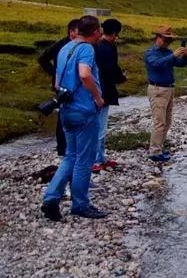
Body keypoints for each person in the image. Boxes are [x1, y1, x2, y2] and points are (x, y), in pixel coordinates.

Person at [40, 15, 108, 221]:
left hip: (66, 109)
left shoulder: (65, 48)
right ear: (95, 32)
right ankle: (80, 204)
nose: (101, 35)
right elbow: (85, 74)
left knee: (70, 155)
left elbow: (57, 81)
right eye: (100, 31)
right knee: (84, 159)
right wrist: (97, 97)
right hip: (84, 109)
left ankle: (51, 198)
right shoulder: (87, 49)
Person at [37, 18, 81, 156]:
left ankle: (70, 145)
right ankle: (63, 147)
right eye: (79, 31)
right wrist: (54, 73)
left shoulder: (79, 45)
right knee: (63, 113)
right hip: (62, 85)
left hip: (71, 83)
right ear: (71, 31)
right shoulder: (61, 45)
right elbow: (42, 58)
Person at [144, 25, 187, 162]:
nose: (167, 42)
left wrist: (185, 56)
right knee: (159, 122)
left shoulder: (168, 52)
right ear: (157, 38)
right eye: (165, 39)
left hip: (169, 89)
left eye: (169, 40)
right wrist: (173, 55)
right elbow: (156, 64)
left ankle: (159, 147)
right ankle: (154, 151)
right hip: (157, 89)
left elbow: (180, 64)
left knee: (167, 122)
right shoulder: (150, 52)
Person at [93, 18, 126, 172]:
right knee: (100, 127)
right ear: (113, 33)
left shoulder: (95, 46)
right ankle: (96, 159)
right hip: (103, 92)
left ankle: (99, 157)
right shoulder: (108, 48)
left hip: (94, 91)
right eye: (116, 34)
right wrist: (122, 78)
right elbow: (112, 69)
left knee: (97, 125)